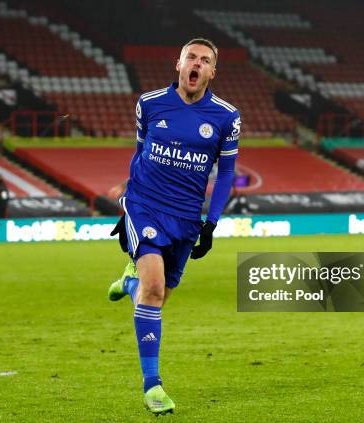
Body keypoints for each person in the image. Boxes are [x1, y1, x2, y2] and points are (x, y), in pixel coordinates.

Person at [108, 38, 241, 414]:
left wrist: (210, 224)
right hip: (146, 206)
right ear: (178, 64)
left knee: (156, 296)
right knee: (153, 289)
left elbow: (227, 172)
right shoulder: (149, 104)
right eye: (191, 58)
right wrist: (129, 207)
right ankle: (153, 387)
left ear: (213, 72)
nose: (196, 64)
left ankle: (129, 282)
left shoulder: (226, 117)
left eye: (205, 60)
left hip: (185, 219)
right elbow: (140, 153)